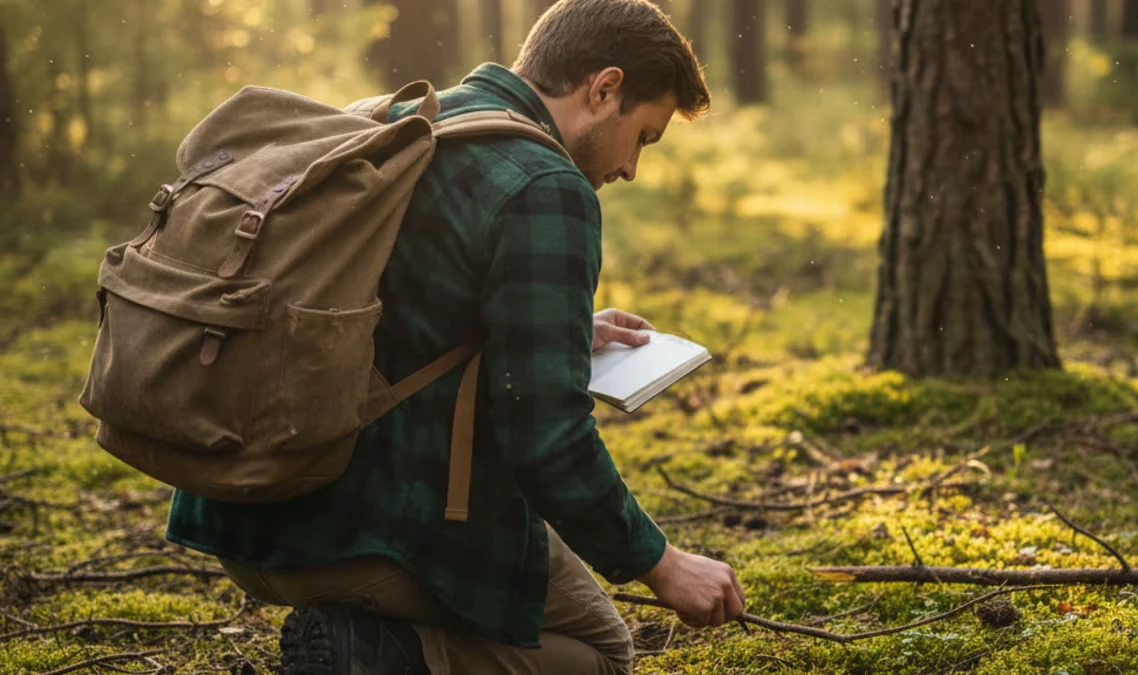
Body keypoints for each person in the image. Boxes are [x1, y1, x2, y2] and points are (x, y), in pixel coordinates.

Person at [164, 1, 744, 673]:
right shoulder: (546, 185)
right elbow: (547, 439)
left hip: (244, 509)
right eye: (643, 137)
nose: (631, 169)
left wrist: (556, 332)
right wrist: (661, 563)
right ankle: (376, 654)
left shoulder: (399, 118)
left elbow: (388, 298)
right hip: (365, 539)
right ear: (604, 88)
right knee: (601, 653)